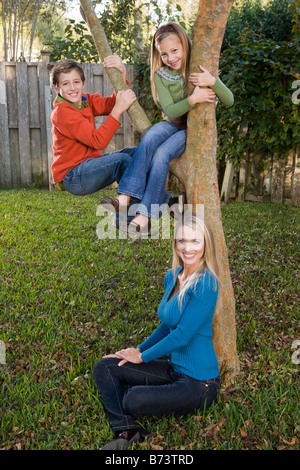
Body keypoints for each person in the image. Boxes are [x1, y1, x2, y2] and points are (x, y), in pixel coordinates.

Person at [93, 211, 221, 450]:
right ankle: (127, 430)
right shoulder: (172, 276)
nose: (188, 248)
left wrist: (142, 358)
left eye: (195, 241)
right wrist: (138, 350)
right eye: (182, 240)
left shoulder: (207, 283)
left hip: (199, 384)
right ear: (175, 243)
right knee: (105, 367)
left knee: (132, 399)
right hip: (174, 370)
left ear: (206, 243)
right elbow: (166, 326)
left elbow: (182, 334)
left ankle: (131, 398)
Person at [100, 22, 234, 236]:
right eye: (164, 54)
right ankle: (125, 197)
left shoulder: (199, 68)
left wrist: (212, 81)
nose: (171, 58)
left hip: (191, 131)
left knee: (161, 154)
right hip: (172, 124)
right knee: (150, 137)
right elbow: (171, 111)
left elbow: (229, 100)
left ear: (185, 45)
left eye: (174, 50)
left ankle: (145, 215)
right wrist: (193, 99)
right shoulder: (161, 75)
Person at [50, 55, 137, 196]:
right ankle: (131, 208)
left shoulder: (85, 101)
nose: (72, 88)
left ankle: (161, 199)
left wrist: (122, 73)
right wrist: (118, 110)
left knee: (137, 153)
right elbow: (98, 141)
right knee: (122, 161)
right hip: (73, 176)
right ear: (56, 87)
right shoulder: (62, 112)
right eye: (65, 84)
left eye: (76, 82)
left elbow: (111, 103)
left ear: (83, 83)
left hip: (90, 165)